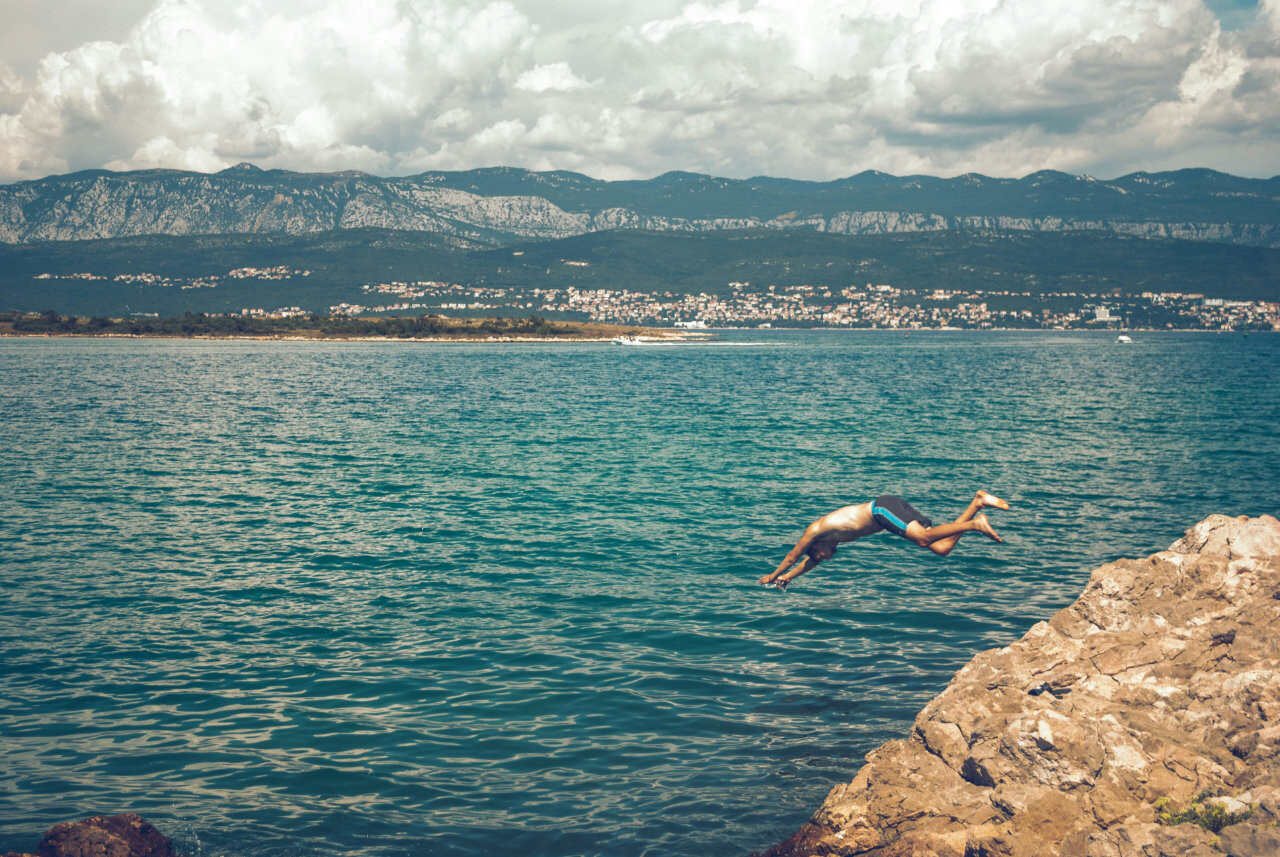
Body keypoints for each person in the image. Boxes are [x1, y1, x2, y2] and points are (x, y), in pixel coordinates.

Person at [758, 491, 1010, 590]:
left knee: (923, 540)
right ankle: (977, 503)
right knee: (942, 547)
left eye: (819, 555)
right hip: (890, 510)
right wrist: (789, 577)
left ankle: (975, 525)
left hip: (882, 509)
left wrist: (773, 574)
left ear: (815, 546)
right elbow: (808, 563)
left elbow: (794, 556)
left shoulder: (816, 530)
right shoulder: (829, 543)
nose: (825, 557)